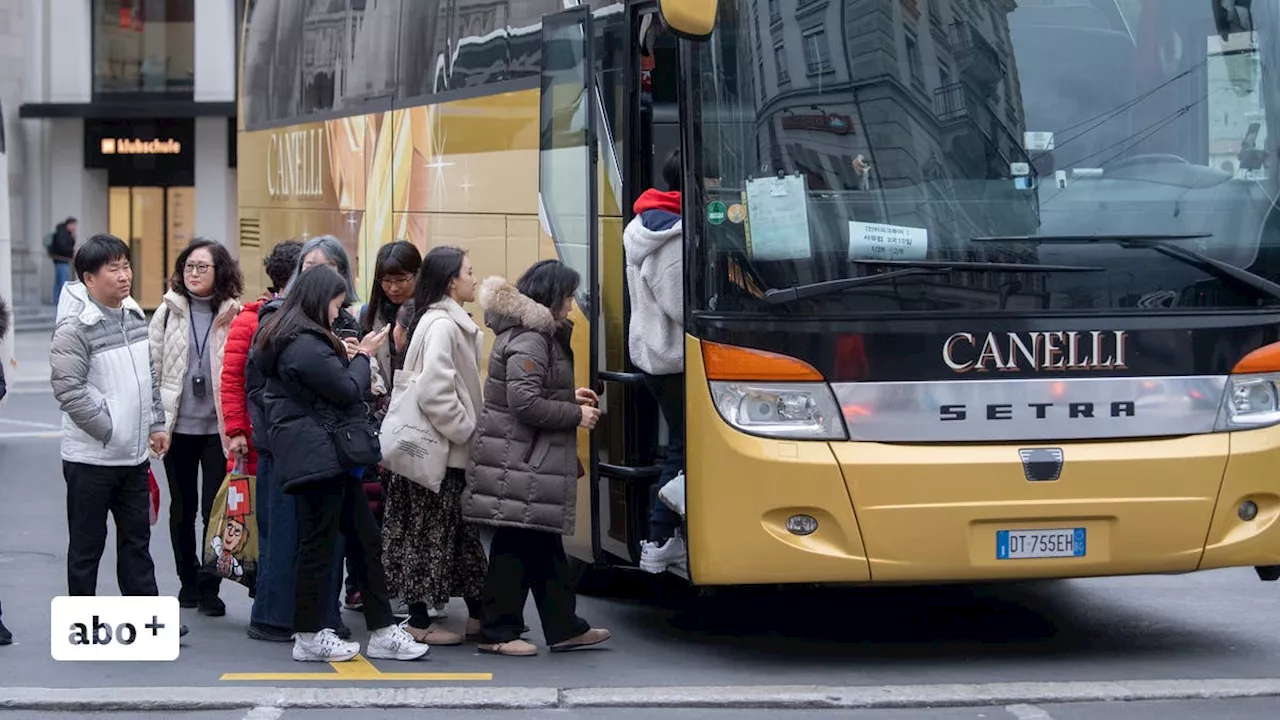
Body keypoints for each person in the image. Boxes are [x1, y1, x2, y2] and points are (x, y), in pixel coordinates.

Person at [254, 265, 427, 662]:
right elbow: (348, 388)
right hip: (319, 457)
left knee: (365, 541)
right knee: (319, 547)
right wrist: (363, 354)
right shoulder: (302, 342)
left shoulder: (301, 338)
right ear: (319, 301)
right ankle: (310, 635)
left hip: (327, 456)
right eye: (336, 304)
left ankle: (381, 630)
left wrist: (345, 353)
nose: (339, 312)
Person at [463, 261, 610, 657]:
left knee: (543, 550)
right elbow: (524, 402)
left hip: (526, 459)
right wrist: (575, 415)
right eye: (567, 296)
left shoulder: (535, 334)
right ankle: (497, 633)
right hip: (523, 461)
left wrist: (567, 397)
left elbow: (532, 390)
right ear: (551, 297)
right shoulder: (531, 337)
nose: (571, 305)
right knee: (514, 549)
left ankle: (564, 628)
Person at [49, 234, 187, 636]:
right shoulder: (74, 328)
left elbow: (148, 377)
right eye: (113, 269)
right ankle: (81, 623)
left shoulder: (132, 315)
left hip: (132, 458)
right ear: (89, 279)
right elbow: (68, 390)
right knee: (87, 547)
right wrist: (110, 428)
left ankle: (146, 619)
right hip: (90, 459)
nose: (124, 276)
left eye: (126, 265)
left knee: (137, 543)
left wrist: (156, 425)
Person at [239, 238, 349, 642]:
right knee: (285, 535)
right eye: (309, 267)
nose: (316, 275)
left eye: (327, 267)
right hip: (289, 447)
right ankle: (275, 616)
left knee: (324, 539)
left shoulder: (343, 319)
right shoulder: (279, 321)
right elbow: (255, 386)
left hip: (326, 448)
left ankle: (320, 616)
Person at [382, 246, 488, 646]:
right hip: (441, 453)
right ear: (451, 281)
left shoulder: (439, 320)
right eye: (469, 272)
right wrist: (466, 430)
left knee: (458, 536)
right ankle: (418, 621)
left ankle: (478, 613)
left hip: (444, 453)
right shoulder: (444, 325)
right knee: (431, 536)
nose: (474, 279)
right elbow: (434, 390)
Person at [150, 238, 244, 615]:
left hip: (217, 431)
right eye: (188, 266)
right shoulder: (168, 311)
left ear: (219, 271)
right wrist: (156, 422)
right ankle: (187, 583)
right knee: (181, 509)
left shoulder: (234, 313)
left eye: (202, 267)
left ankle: (210, 588)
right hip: (178, 428)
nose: (193, 273)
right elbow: (152, 369)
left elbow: (240, 373)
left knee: (214, 511)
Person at [345, 240, 422, 612]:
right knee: (371, 506)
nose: (393, 287)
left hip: (414, 420)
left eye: (401, 279)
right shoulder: (368, 314)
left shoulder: (427, 313)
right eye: (386, 280)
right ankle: (362, 583)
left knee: (404, 508)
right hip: (376, 419)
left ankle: (404, 584)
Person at [624, 148, 689, 574]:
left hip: (652, 357)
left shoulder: (645, 223)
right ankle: (660, 535)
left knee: (682, 446)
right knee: (686, 450)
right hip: (675, 359)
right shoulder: (674, 237)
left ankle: (667, 535)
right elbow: (683, 306)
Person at [48, 217, 77, 305]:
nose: (75, 227)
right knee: (63, 282)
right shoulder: (63, 234)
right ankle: (62, 302)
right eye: (74, 225)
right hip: (62, 260)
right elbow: (64, 247)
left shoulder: (62, 232)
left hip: (59, 260)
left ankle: (57, 301)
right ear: (69, 224)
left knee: (58, 282)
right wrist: (71, 251)